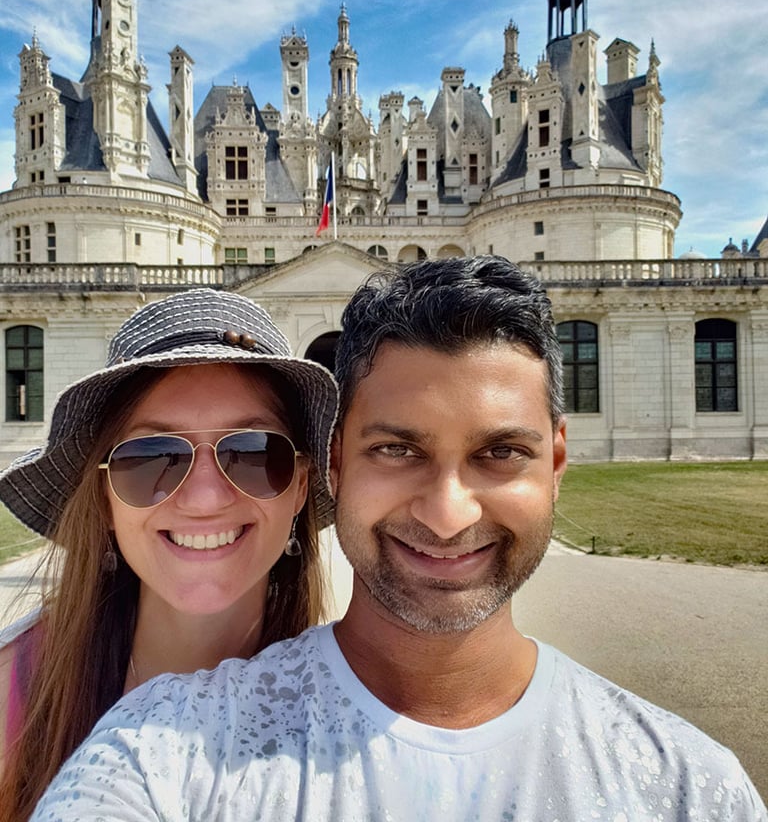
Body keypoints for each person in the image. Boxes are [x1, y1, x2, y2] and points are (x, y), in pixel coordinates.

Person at [30, 258, 766, 821]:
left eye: (500, 451)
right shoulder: (158, 746)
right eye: (398, 449)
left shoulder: (691, 786)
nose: (447, 514)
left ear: (556, 464)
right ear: (338, 462)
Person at [0, 288, 338, 820]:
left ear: (299, 487)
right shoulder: (13, 692)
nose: (205, 498)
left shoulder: (356, 703)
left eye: (253, 453)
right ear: (104, 499)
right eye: (152, 456)